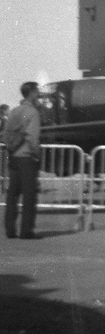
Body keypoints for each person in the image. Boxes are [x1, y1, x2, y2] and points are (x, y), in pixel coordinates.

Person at [4, 82, 41, 240]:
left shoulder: (14, 111)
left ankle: (10, 230)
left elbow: (6, 134)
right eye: (37, 90)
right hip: (27, 158)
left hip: (13, 157)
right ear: (31, 93)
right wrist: (37, 154)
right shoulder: (32, 112)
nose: (38, 93)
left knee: (12, 194)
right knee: (29, 195)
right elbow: (33, 139)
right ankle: (26, 231)